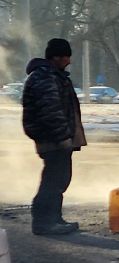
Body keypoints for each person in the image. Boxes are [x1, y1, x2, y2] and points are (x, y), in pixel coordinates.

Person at [21, 38, 85, 236]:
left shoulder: (54, 76)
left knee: (59, 179)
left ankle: (54, 219)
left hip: (58, 138)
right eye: (66, 57)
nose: (69, 61)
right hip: (53, 138)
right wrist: (62, 137)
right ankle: (44, 222)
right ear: (56, 57)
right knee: (53, 179)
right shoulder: (45, 77)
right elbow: (51, 111)